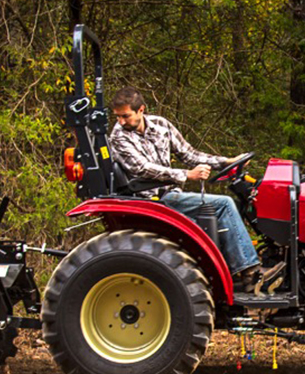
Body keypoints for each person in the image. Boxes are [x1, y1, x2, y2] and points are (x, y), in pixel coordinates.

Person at [106, 86, 264, 289]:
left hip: (171, 193)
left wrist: (225, 162)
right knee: (224, 204)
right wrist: (186, 175)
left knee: (232, 206)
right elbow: (142, 169)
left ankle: (233, 270)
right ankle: (249, 270)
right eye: (118, 117)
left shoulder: (161, 125)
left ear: (141, 110)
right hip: (151, 199)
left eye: (125, 116)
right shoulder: (119, 137)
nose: (120, 122)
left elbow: (189, 154)